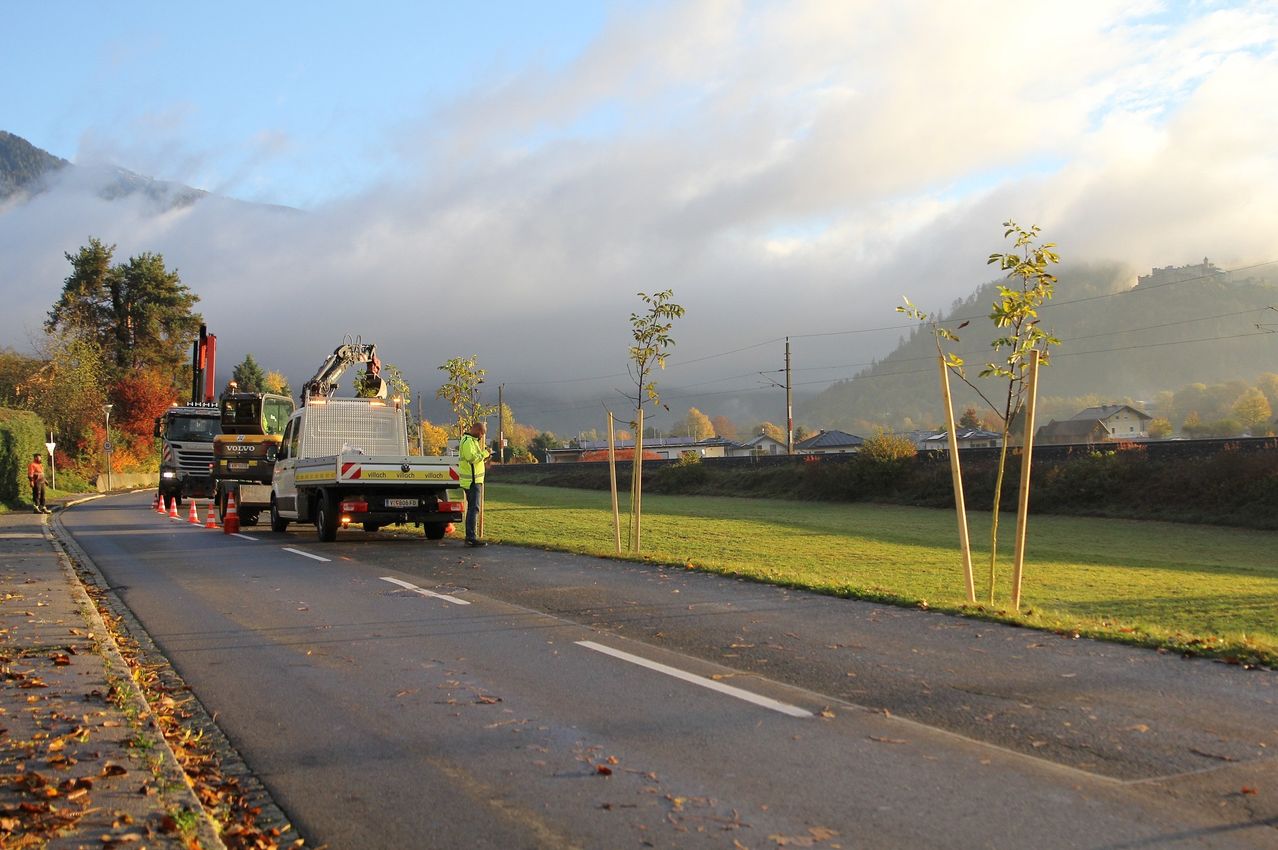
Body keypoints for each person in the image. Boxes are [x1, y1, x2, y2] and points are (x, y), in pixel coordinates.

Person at [458, 421, 491, 546]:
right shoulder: (467, 441)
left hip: (475, 480)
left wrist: (484, 458)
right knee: (473, 509)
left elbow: (476, 459)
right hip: (471, 481)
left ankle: (471, 536)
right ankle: (471, 537)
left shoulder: (472, 441)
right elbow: (471, 458)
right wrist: (485, 453)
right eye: (482, 433)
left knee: (473, 508)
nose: (482, 436)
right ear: (477, 431)